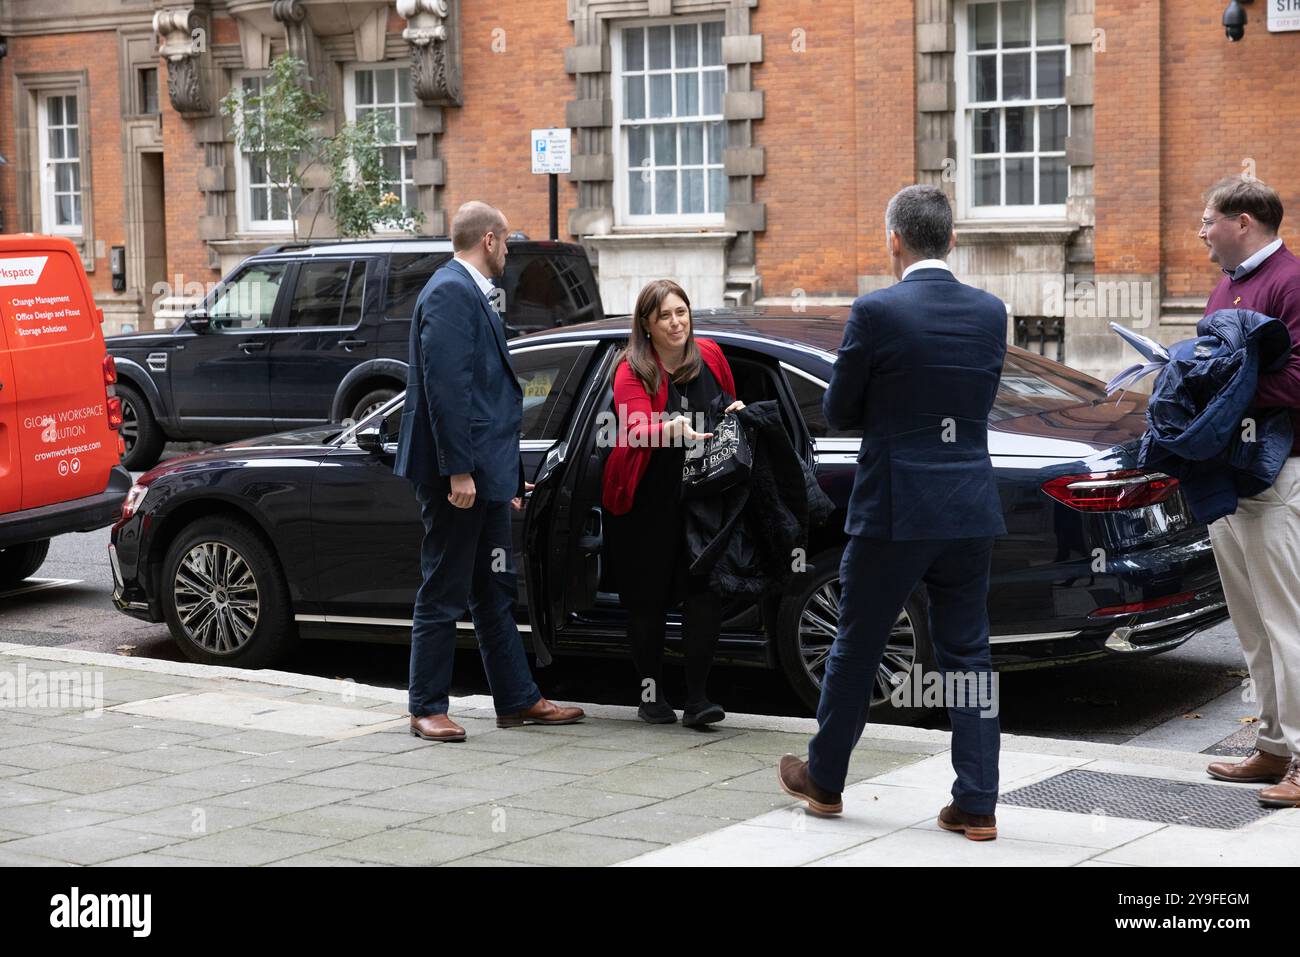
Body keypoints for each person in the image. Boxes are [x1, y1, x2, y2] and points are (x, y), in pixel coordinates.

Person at [777, 185, 1007, 839]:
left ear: (894, 241)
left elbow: (842, 410)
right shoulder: (991, 312)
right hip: (967, 505)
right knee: (969, 654)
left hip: (895, 506)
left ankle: (825, 779)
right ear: (952, 240)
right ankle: (978, 801)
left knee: (857, 645)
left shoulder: (876, 310)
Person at [394, 200, 583, 741]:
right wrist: (459, 474)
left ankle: (518, 701)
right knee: (444, 588)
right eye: (507, 242)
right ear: (491, 240)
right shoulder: (452, 292)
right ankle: (425, 706)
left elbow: (486, 396)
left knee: (494, 591)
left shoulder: (468, 292)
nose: (509, 252)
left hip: (483, 476)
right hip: (459, 478)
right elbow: (446, 393)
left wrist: (504, 477)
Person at [1197, 177, 1300, 807]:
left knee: (1287, 621)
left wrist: (1222, 387)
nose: (1202, 232)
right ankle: (1272, 746)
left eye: (1207, 220)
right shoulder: (1223, 288)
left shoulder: (1290, 281)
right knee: (1252, 623)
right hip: (1226, 474)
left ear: (1242, 221)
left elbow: (1295, 381)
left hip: (1277, 470)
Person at [602, 279, 743, 727]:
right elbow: (635, 427)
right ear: (646, 323)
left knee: (703, 593)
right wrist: (673, 429)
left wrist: (736, 413)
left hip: (701, 496)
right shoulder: (632, 368)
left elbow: (727, 403)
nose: (676, 322)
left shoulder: (712, 356)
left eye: (681, 311)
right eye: (665, 315)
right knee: (648, 600)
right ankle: (651, 695)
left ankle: (699, 700)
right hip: (647, 498)